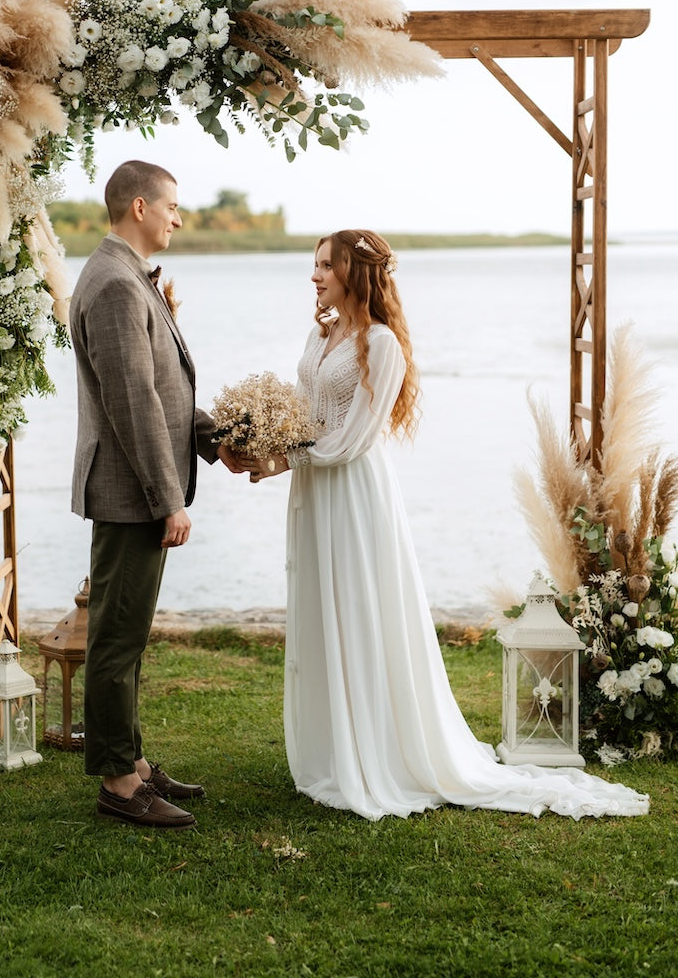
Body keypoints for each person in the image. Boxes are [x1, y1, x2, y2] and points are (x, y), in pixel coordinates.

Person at [250, 230, 648, 820]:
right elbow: (311, 418)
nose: (314, 276)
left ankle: (378, 753)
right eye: (314, 266)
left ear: (353, 273)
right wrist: (266, 440)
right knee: (321, 606)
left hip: (354, 494)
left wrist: (285, 458)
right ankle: (333, 750)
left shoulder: (380, 345)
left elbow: (355, 439)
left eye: (324, 266)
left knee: (359, 609)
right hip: (314, 491)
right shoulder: (321, 333)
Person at [70, 159, 242, 830]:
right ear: (138, 207)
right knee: (116, 637)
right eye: (171, 205)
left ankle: (133, 761)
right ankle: (118, 783)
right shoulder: (114, 283)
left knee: (128, 634)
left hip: (135, 484)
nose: (178, 217)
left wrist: (218, 436)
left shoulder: (128, 278)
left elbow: (163, 395)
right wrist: (168, 498)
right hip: (130, 491)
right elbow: (132, 404)